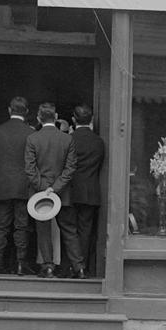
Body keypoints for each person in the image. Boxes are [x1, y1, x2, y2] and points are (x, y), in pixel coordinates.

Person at [24, 102, 78, 278]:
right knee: (69, 230)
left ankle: (47, 266)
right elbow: (70, 169)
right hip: (63, 192)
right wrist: (54, 189)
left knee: (43, 230)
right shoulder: (67, 139)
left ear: (39, 118)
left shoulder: (33, 139)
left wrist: (43, 190)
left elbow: (30, 170)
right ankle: (79, 267)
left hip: (40, 192)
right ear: (55, 118)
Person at [0, 96, 35, 276]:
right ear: (27, 112)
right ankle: (21, 263)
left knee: (0, 226)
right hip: (23, 186)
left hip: (2, 185)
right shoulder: (31, 134)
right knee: (21, 226)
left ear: (9, 110)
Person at [56, 103, 105, 278]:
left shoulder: (68, 139)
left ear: (73, 120)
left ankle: (70, 267)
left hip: (69, 191)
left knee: (69, 230)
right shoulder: (99, 142)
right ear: (91, 120)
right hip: (90, 191)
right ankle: (82, 267)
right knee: (85, 231)